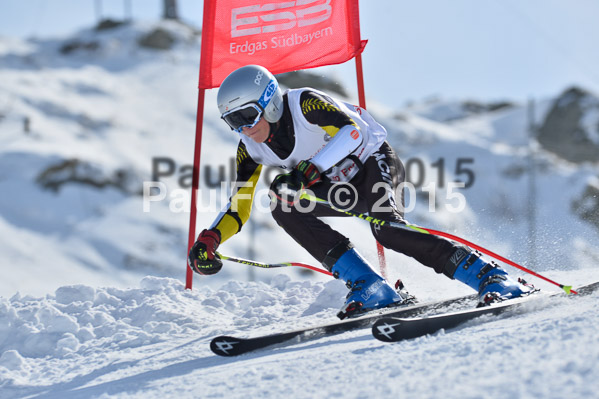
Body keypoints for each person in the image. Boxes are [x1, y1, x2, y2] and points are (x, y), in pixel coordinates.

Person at [188, 64, 534, 319]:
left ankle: (490, 276)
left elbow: (352, 133)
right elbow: (241, 204)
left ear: (270, 102)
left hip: (373, 163)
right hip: (335, 184)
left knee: (388, 230)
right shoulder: (250, 148)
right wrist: (212, 238)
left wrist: (308, 171)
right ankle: (369, 285)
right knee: (283, 206)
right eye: (233, 122)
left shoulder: (305, 104)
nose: (244, 129)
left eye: (247, 116)